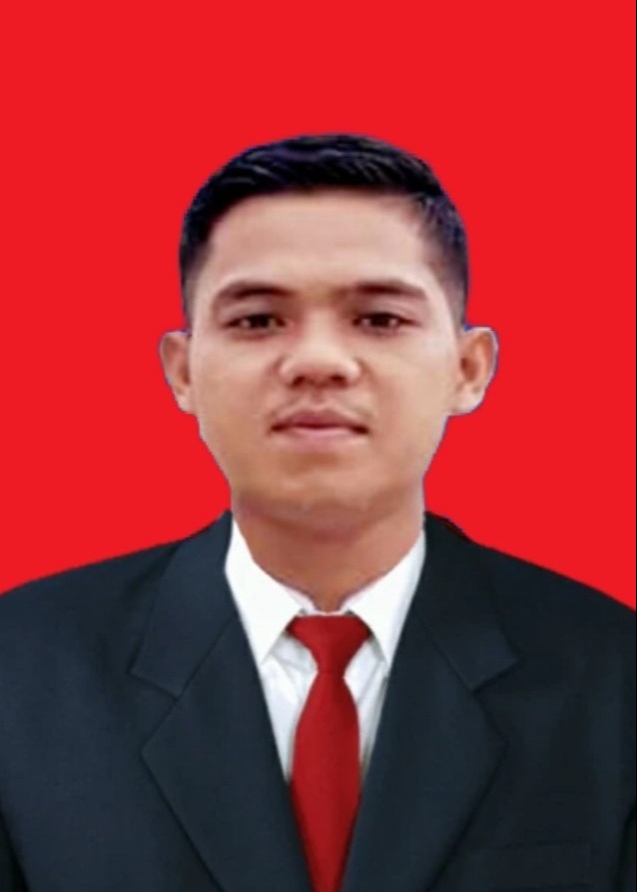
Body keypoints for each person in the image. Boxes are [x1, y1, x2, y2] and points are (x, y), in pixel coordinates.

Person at [0, 134, 633, 892]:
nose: (318, 361)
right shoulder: (23, 671)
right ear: (182, 370)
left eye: (380, 318)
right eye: (258, 320)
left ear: (469, 369)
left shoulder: (612, 679)